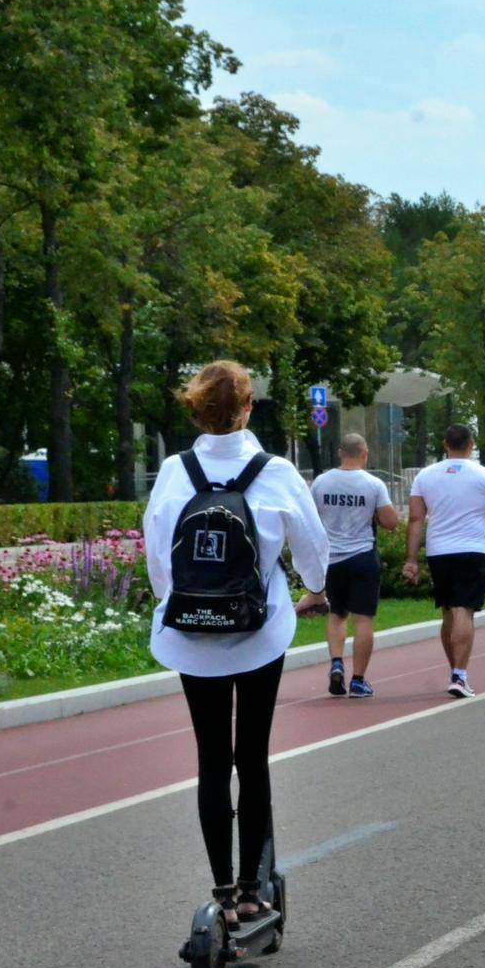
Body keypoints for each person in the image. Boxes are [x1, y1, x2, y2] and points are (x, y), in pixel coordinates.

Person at [144, 360, 328, 925]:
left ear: (197, 410)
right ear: (249, 407)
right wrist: (316, 590)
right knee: (252, 756)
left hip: (191, 635)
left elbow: (157, 556)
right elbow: (313, 546)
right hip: (258, 633)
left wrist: (182, 603)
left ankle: (220, 892)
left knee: (210, 759)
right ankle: (253, 890)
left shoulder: (175, 472)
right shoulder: (275, 471)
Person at [403, 424, 485, 698]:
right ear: (471, 444)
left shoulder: (425, 476)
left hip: (438, 552)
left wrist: (411, 559)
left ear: (446, 444)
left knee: (448, 611)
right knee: (463, 611)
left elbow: (416, 519)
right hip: (471, 550)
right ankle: (459, 675)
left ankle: (455, 670)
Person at [304, 433, 401, 697]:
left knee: (336, 614)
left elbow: (310, 518)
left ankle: (336, 663)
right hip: (362, 556)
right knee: (363, 619)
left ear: (339, 452)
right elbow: (391, 522)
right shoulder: (373, 484)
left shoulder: (321, 483)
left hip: (332, 558)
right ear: (365, 453)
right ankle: (358, 680)